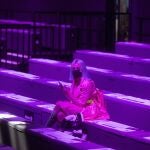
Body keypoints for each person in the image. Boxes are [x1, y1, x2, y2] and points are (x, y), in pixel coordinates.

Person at [46, 59, 109, 129]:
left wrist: (68, 93)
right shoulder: (74, 82)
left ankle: (46, 128)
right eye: (73, 68)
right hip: (79, 106)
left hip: (88, 109)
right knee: (60, 114)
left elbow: (82, 103)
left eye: (77, 68)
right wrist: (66, 92)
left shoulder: (87, 83)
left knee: (59, 104)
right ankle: (63, 134)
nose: (75, 70)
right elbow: (74, 100)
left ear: (82, 70)